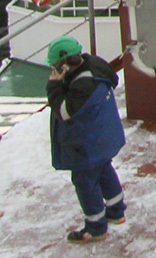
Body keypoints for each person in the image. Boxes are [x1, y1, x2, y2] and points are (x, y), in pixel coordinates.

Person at [46, 37, 125, 244]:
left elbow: (64, 111)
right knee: (105, 170)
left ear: (66, 64)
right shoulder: (95, 67)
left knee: (85, 182)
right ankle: (116, 211)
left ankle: (96, 227)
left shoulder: (83, 86)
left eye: (56, 67)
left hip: (86, 145)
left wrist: (54, 86)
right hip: (102, 138)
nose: (54, 71)